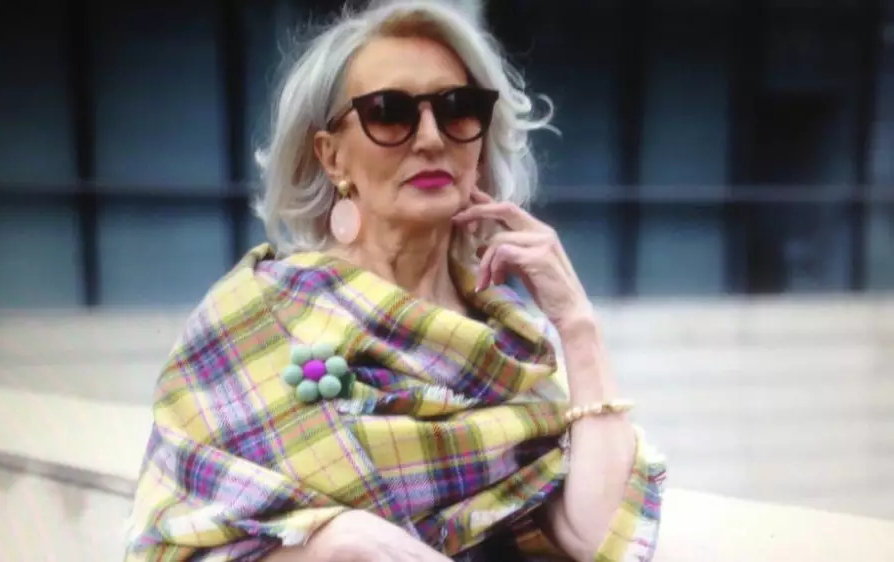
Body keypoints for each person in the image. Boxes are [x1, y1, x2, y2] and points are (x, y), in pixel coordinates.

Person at [124, 1, 666, 561]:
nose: (431, 139)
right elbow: (169, 548)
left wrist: (576, 324)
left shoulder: (512, 349)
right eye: (389, 112)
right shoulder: (255, 318)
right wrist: (335, 546)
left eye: (458, 109)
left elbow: (603, 540)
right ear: (332, 157)